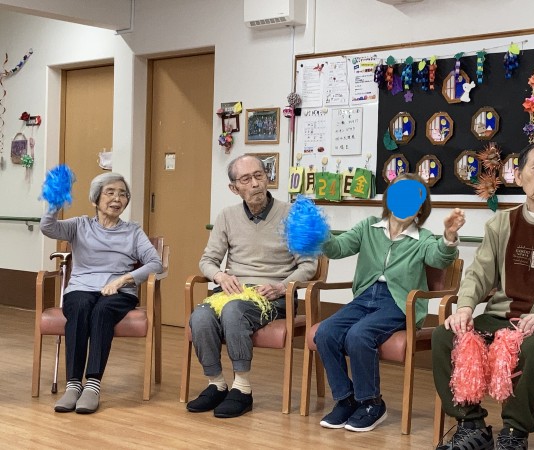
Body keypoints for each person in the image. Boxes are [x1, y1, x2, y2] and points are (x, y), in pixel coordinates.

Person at [433, 140, 534, 450]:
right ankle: (471, 427)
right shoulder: (501, 223)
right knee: (445, 335)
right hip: (500, 318)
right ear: (519, 176)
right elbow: (479, 273)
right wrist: (465, 307)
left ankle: (513, 434)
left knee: (532, 347)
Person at [314, 173, 466, 432]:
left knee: (359, 335)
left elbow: (440, 258)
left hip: (399, 302)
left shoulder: (424, 239)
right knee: (326, 332)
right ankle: (346, 399)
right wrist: (319, 232)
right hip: (364, 297)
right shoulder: (368, 227)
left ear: (421, 207)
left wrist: (449, 236)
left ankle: (372, 404)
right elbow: (337, 249)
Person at [187, 155, 317, 418]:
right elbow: (207, 261)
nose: (255, 183)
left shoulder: (292, 215)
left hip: (273, 295)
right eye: (246, 179)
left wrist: (282, 286)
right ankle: (217, 384)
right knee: (200, 316)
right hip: (232, 291)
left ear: (267, 178)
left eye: (259, 175)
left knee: (234, 311)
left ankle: (242, 389)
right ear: (234, 188)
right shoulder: (227, 216)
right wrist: (220, 276)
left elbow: (308, 265)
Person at [40, 172, 163, 414]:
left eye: (123, 194)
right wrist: (55, 203)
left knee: (102, 311)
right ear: (95, 199)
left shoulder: (133, 231)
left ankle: (93, 385)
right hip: (81, 287)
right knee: (80, 307)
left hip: (119, 292)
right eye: (110, 193)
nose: (117, 199)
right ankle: (73, 384)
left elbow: (155, 263)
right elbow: (48, 227)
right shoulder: (80, 225)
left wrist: (123, 280)